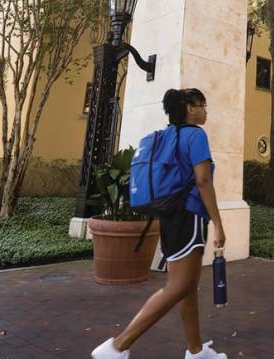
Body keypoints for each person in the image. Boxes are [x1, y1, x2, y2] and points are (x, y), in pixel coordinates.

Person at [92, 88, 228, 359]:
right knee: (178, 286)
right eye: (202, 105)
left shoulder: (164, 136)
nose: (205, 111)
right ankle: (117, 347)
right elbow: (203, 181)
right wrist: (218, 223)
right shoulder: (195, 135)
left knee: (187, 285)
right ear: (189, 108)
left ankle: (196, 351)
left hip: (169, 216)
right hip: (188, 217)